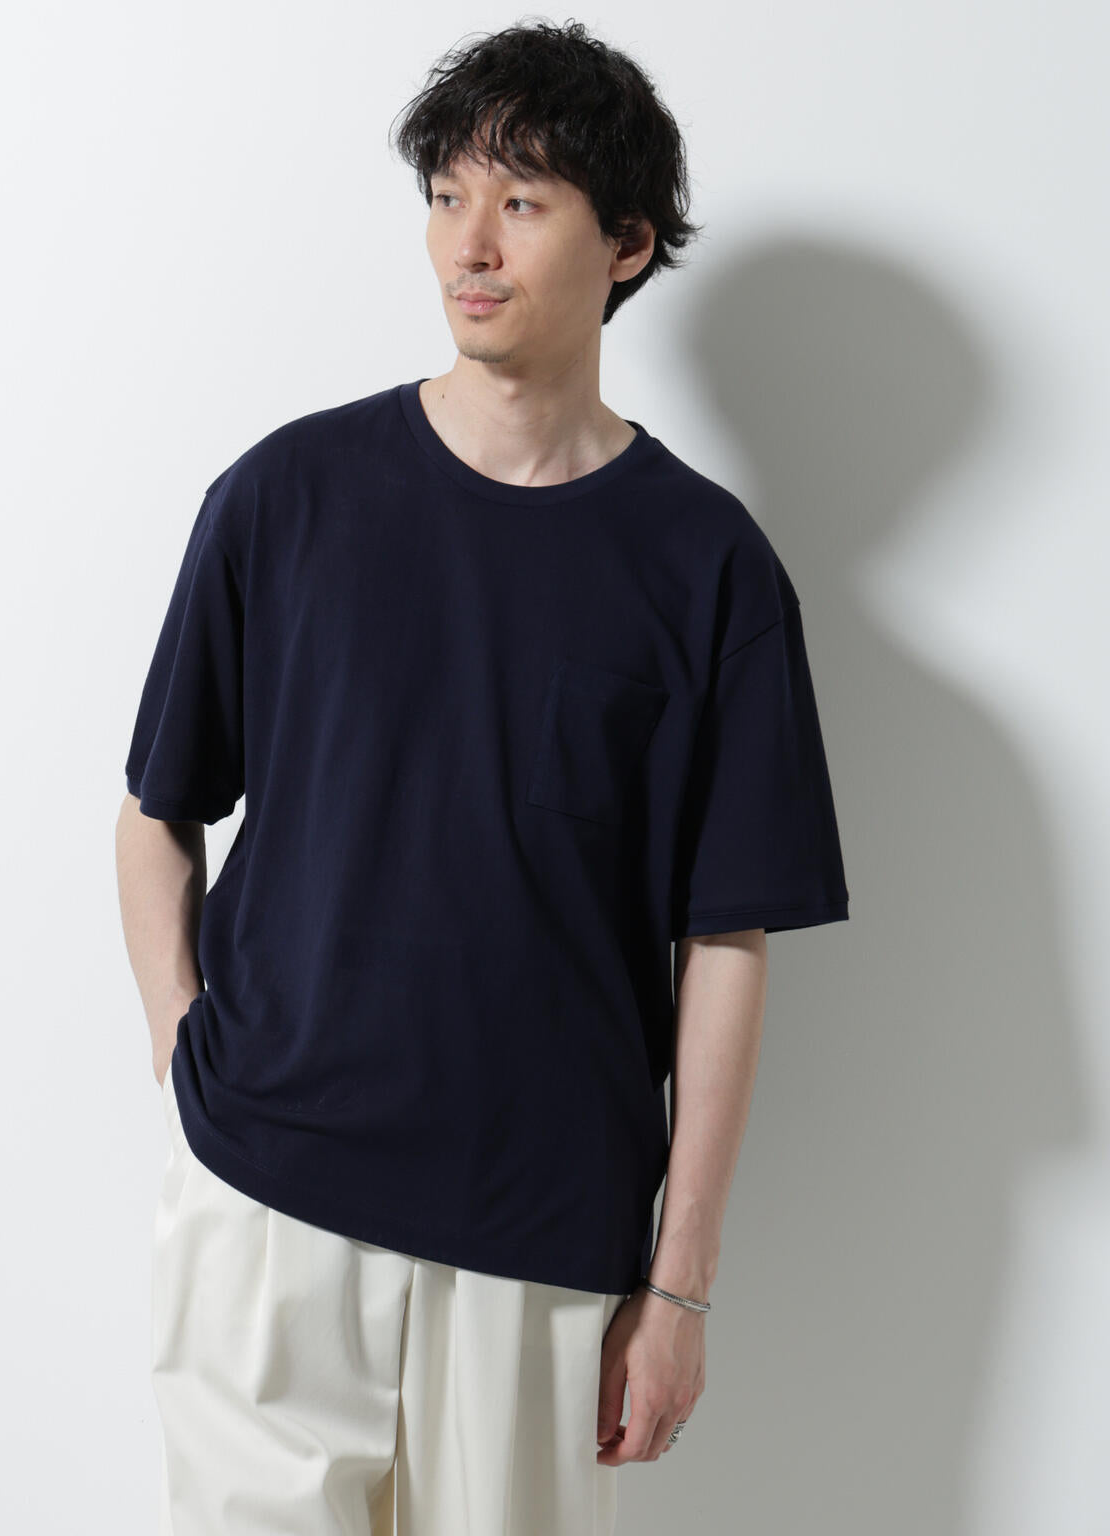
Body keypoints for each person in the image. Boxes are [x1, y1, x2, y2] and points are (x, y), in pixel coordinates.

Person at [115, 19, 849, 1536]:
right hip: (269, 1204)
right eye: (448, 196)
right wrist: (185, 1051)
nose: (471, 242)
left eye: (521, 201)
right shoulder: (287, 498)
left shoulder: (707, 570)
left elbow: (724, 940)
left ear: (626, 242)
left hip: (538, 1238)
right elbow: (157, 808)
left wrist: (680, 1286)